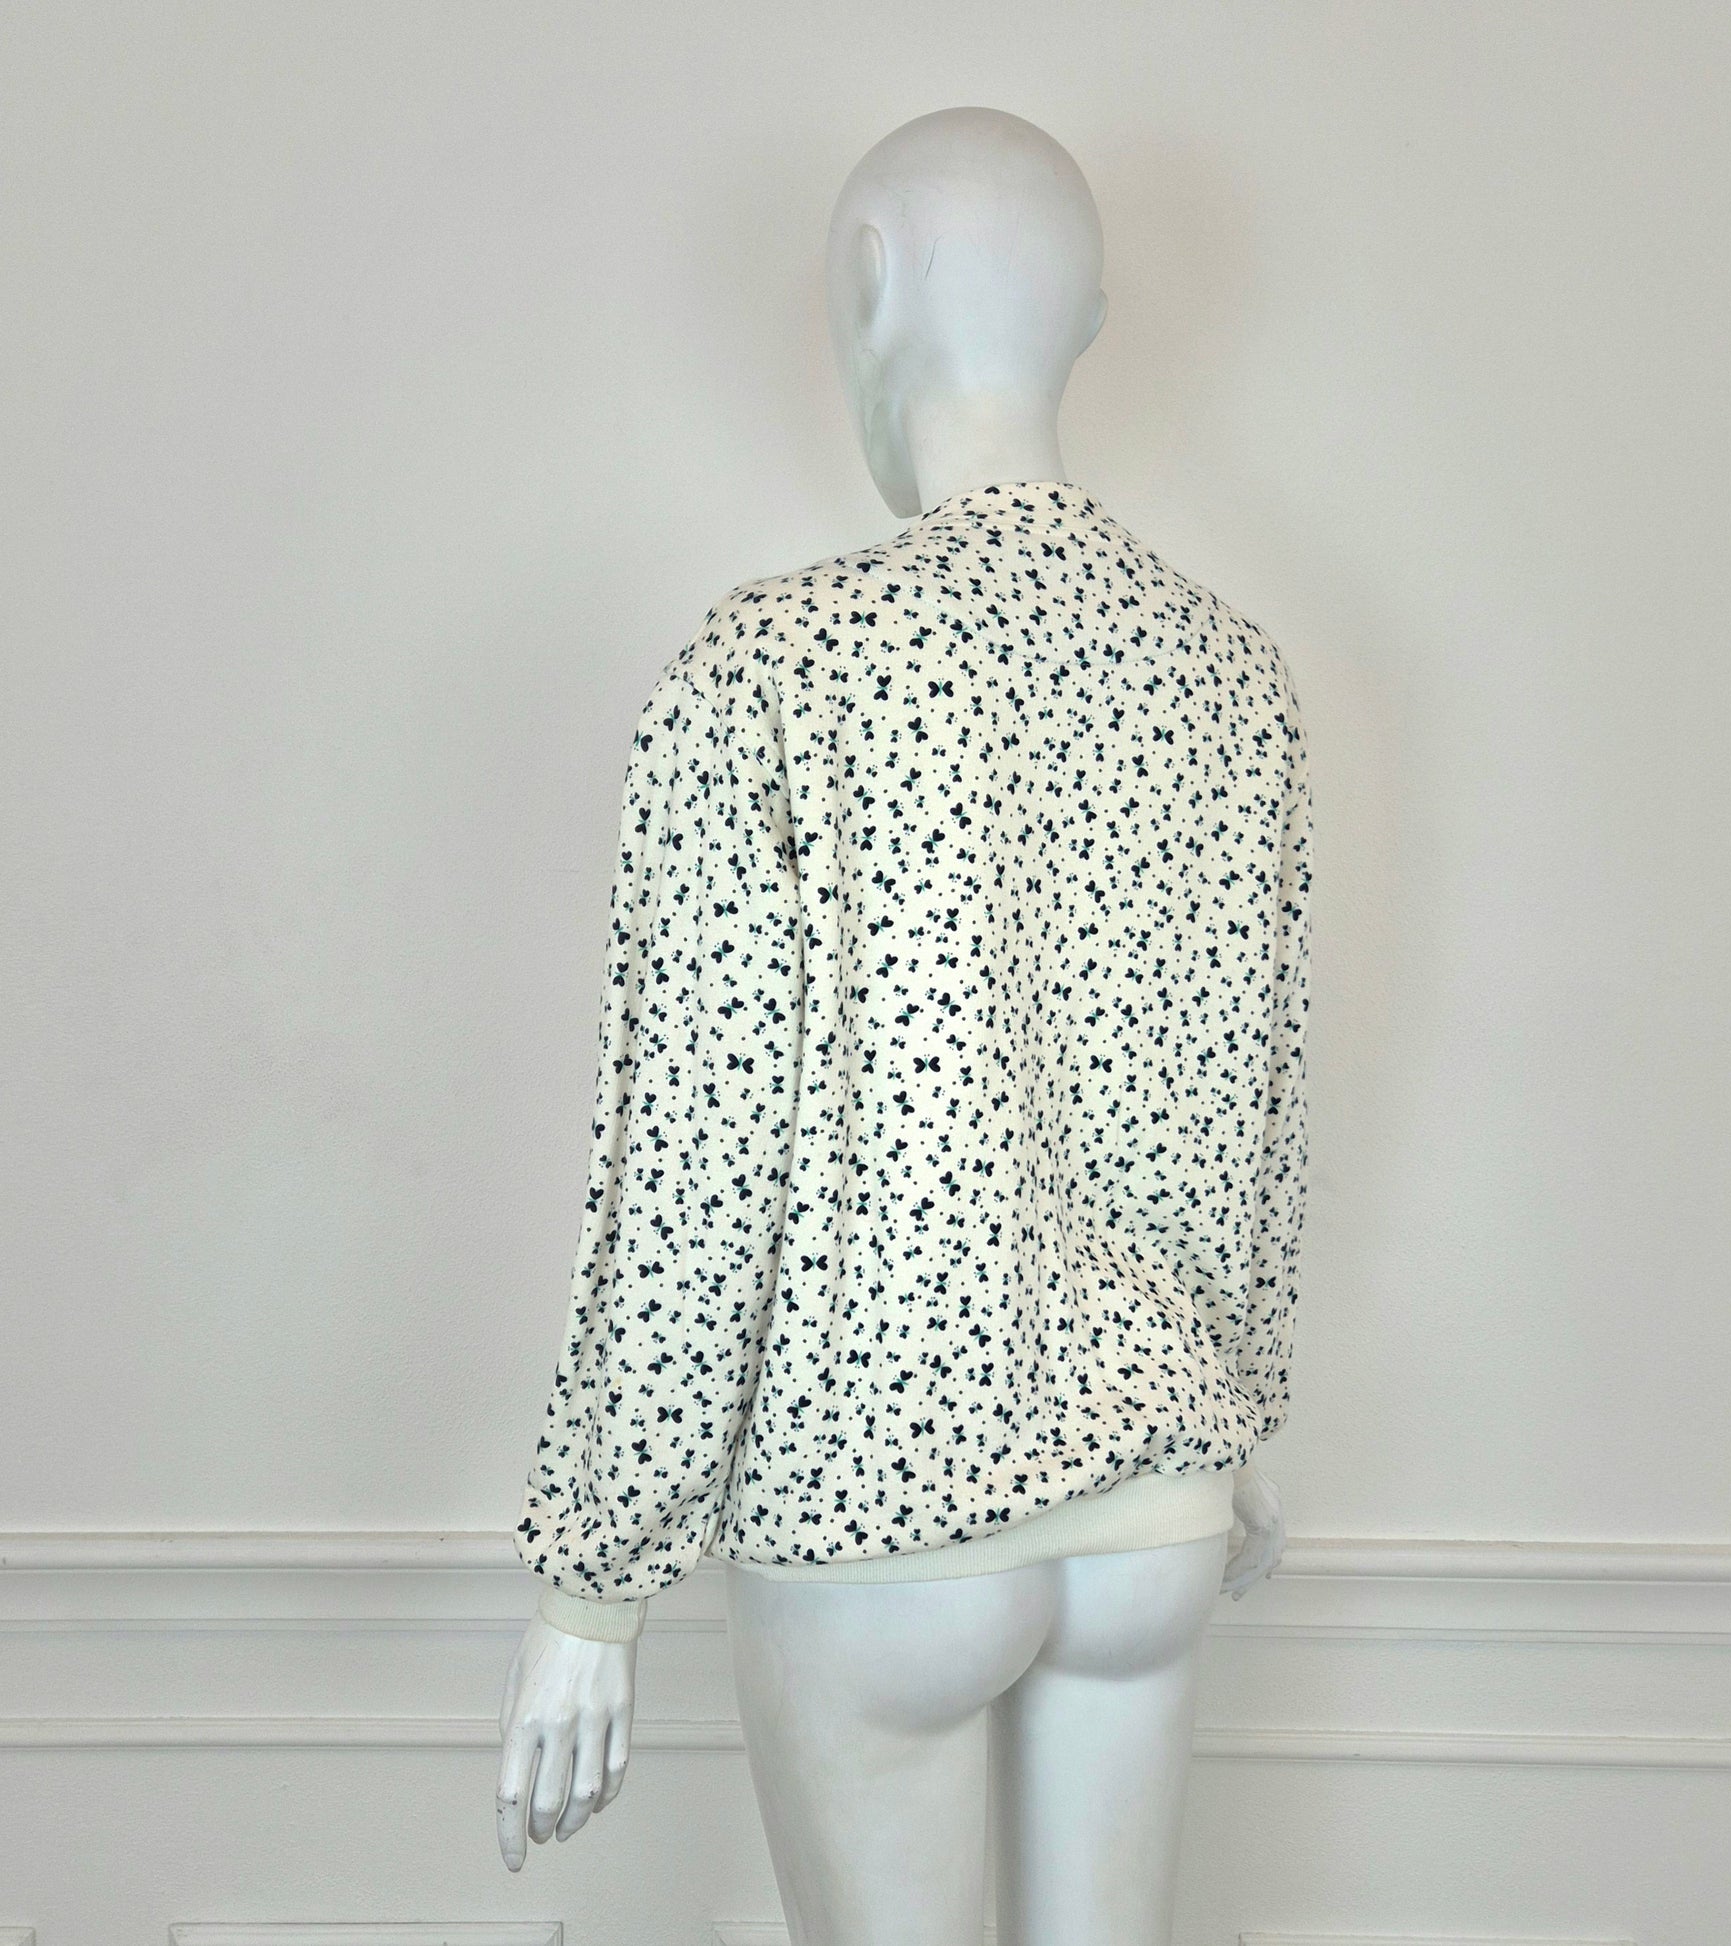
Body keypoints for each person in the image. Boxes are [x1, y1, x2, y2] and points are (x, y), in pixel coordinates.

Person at [496, 105, 1313, 1946]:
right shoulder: (1232, 679)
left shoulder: (775, 666)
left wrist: (592, 1581)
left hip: (879, 1509)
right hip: (1161, 1505)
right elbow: (1251, 1109)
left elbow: (697, 1150)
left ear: (869, 282)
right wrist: (1233, 1412)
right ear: (1083, 324)